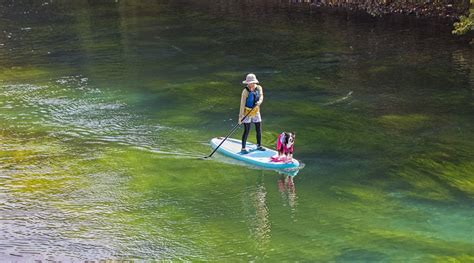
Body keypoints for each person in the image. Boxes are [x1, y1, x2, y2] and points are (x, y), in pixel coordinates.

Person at [239, 73, 265, 154]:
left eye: (251, 83)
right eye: (249, 83)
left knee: (258, 128)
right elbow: (242, 104)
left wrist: (259, 102)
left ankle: (259, 145)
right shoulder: (245, 91)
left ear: (255, 82)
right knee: (247, 130)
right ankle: (243, 148)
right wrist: (240, 117)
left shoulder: (259, 88)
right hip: (246, 111)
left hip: (256, 110)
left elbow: (261, 96)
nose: (250, 84)